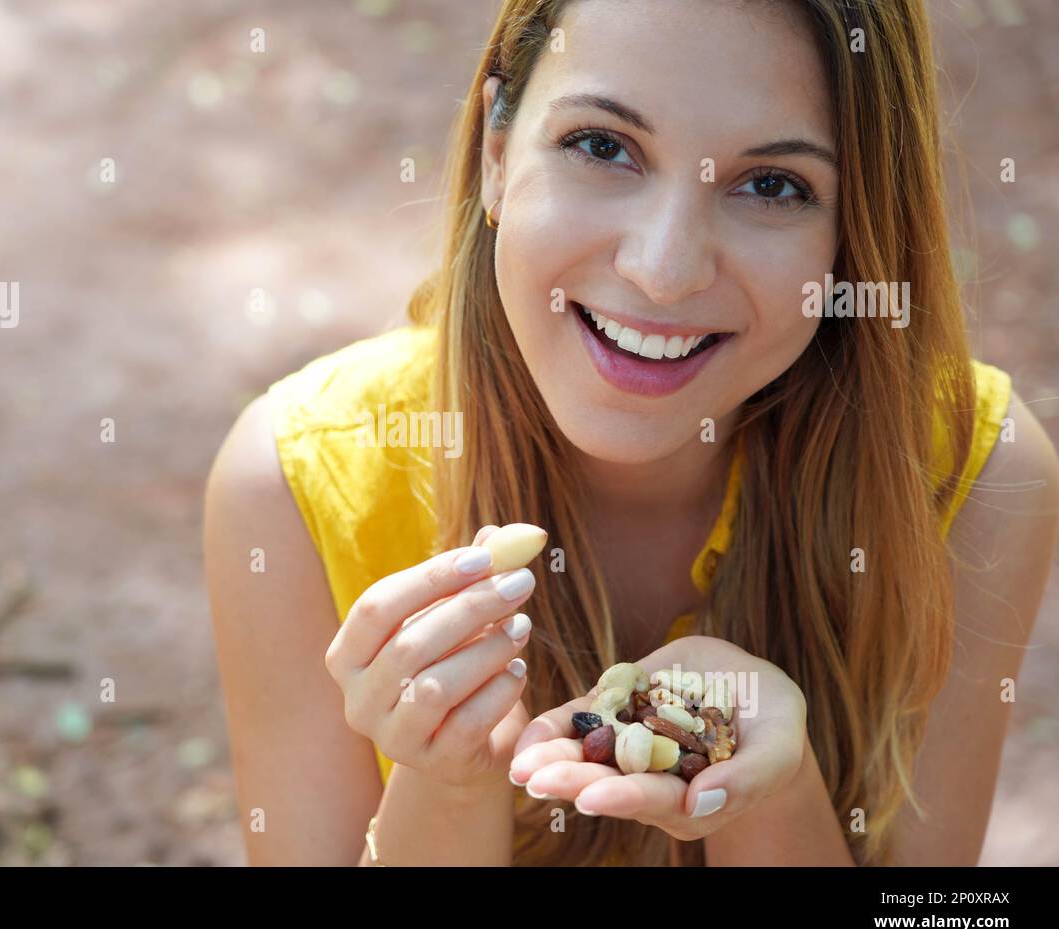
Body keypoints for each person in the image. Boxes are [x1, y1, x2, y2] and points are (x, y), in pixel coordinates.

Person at [205, 0, 1059, 866]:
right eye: (603, 146)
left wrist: (769, 797)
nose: (662, 271)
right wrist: (450, 785)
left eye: (772, 185)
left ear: (855, 234)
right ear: (497, 155)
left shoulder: (978, 474)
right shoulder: (290, 483)